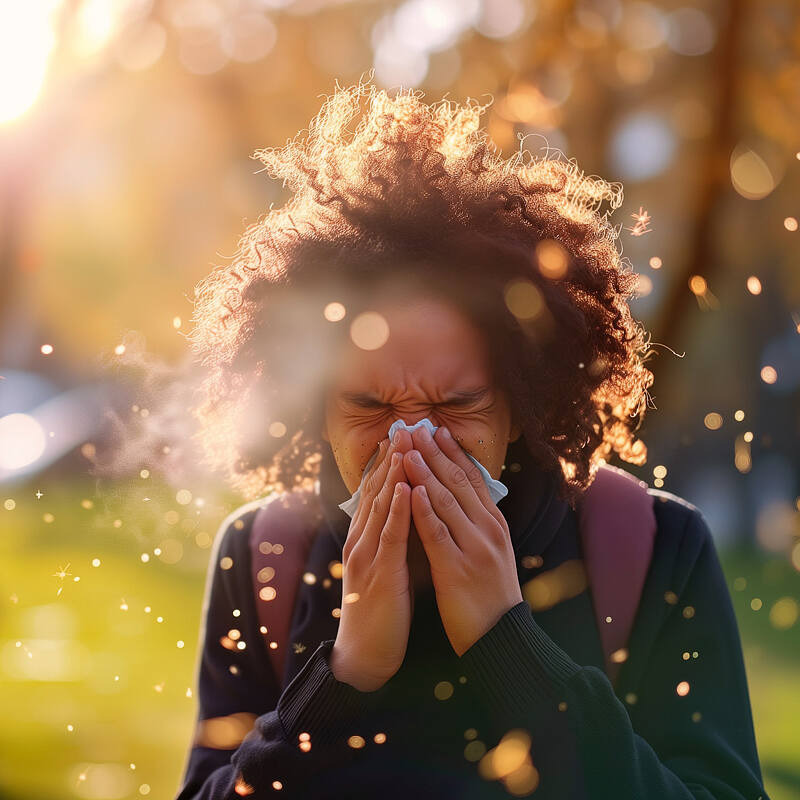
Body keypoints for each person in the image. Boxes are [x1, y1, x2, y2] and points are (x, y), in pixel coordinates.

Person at [175, 78, 769, 799]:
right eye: (368, 404)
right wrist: (342, 679)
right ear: (315, 410)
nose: (411, 443)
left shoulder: (651, 550)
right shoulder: (265, 556)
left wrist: (507, 646)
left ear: (522, 402)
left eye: (455, 405)